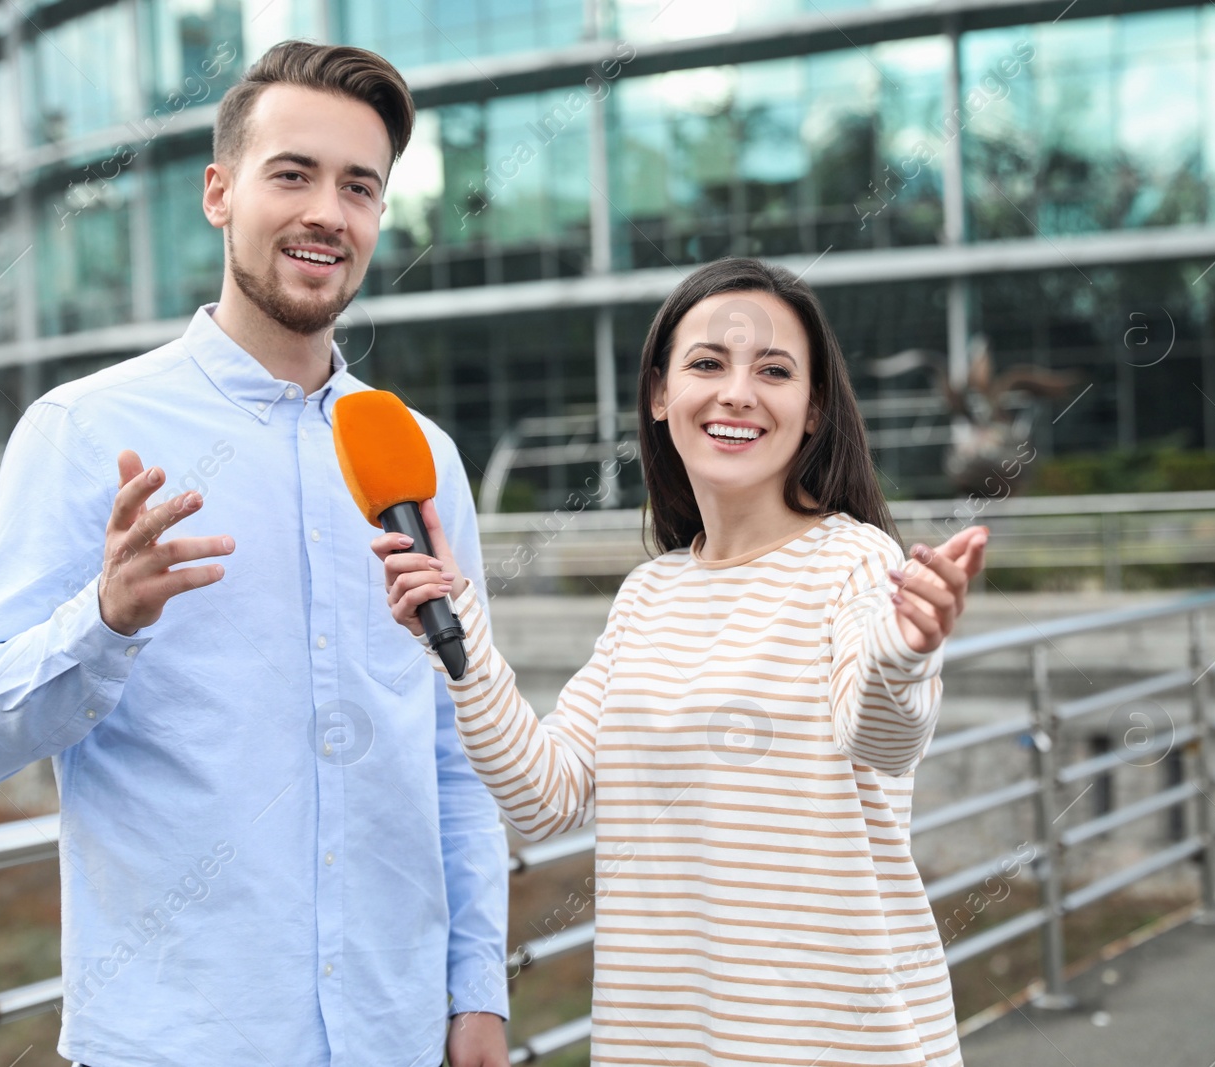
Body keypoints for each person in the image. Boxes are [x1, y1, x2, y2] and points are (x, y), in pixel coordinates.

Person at [0, 41, 510, 1067]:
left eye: (359, 187)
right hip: (177, 1039)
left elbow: (453, 749)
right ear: (218, 192)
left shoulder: (422, 458)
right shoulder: (80, 431)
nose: (328, 210)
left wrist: (477, 989)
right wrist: (104, 619)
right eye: (293, 174)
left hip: (396, 1030)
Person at [374, 257, 989, 1066]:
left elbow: (880, 733)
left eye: (774, 371)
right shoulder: (648, 595)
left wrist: (907, 650)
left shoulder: (856, 563)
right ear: (661, 394)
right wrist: (457, 636)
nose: (738, 391)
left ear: (811, 411)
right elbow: (544, 796)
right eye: (708, 363)